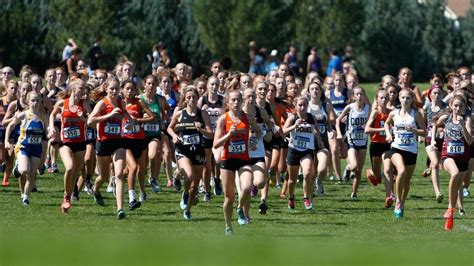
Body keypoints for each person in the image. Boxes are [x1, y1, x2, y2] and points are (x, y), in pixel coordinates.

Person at [87, 76, 135, 219]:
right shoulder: (102, 103)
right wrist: (108, 115)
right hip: (103, 143)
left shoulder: (121, 102)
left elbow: (125, 114)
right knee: (104, 176)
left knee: (119, 174)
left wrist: (130, 122)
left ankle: (120, 209)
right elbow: (90, 121)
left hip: (118, 142)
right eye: (111, 89)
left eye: (116, 88)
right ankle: (96, 190)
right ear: (106, 89)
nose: (114, 91)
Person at [214, 90, 260, 234]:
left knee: (247, 188)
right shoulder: (223, 119)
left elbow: (258, 132)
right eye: (233, 100)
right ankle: (228, 225)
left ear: (242, 101)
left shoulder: (248, 117)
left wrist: (253, 141)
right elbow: (216, 144)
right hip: (227, 160)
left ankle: (240, 208)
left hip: (243, 159)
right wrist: (229, 134)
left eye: (238, 100)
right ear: (227, 102)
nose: (236, 102)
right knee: (229, 197)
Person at [167, 86, 213, 220]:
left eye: (194, 97)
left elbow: (211, 134)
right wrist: (174, 136)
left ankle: (187, 209)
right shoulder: (180, 113)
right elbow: (169, 128)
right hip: (183, 150)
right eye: (189, 98)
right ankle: (185, 193)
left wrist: (202, 130)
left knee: (195, 185)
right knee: (190, 175)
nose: (192, 100)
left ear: (198, 98)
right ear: (185, 100)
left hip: (198, 151)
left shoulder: (203, 114)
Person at [48, 79, 91, 213]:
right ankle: (66, 196)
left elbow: (91, 122)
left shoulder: (85, 104)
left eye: (85, 88)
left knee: (75, 172)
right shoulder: (62, 103)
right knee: (70, 167)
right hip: (65, 142)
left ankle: (68, 199)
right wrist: (51, 127)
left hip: (80, 143)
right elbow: (53, 114)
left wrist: (83, 117)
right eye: (81, 88)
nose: (84, 91)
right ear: (73, 89)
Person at [430, 95, 472, 230]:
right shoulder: (445, 118)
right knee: (454, 174)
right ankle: (449, 208)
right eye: (455, 106)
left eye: (460, 106)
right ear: (451, 106)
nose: (458, 108)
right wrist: (432, 141)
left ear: (464, 108)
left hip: (463, 159)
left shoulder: (466, 120)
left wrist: (462, 126)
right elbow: (434, 125)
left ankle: (451, 215)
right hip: (447, 156)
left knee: (456, 187)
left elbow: (470, 141)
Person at [383, 88, 426, 218]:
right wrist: (388, 134)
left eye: (408, 98)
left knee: (406, 182)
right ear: (399, 99)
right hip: (396, 148)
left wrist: (413, 130)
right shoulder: (394, 113)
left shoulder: (416, 114)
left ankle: (401, 203)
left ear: (412, 99)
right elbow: (386, 123)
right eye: (403, 97)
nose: (405, 100)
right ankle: (397, 201)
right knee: (401, 171)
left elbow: (424, 132)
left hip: (411, 151)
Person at [4, 91, 46, 205]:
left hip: (36, 149)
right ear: (28, 101)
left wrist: (50, 133)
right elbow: (10, 125)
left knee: (32, 176)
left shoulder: (42, 116)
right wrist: (6, 140)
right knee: (24, 170)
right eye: (33, 100)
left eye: (38, 100)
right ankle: (17, 168)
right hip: (23, 147)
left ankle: (26, 197)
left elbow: (44, 134)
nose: (35, 103)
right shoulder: (24, 115)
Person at [283, 96, 322, 210]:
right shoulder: (292, 118)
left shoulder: (311, 117)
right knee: (292, 180)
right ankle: (291, 198)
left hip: (307, 150)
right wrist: (295, 126)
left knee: (308, 172)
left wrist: (319, 141)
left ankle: (306, 199)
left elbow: (316, 131)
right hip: (294, 150)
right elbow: (283, 131)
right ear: (296, 106)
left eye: (305, 105)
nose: (302, 107)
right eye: (300, 105)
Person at [122, 80, 155, 210]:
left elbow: (152, 117)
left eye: (132, 89)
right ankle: (131, 199)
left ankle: (142, 192)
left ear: (136, 91)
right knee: (133, 167)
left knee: (141, 170)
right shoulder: (120, 103)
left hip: (140, 140)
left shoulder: (139, 103)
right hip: (126, 140)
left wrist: (138, 120)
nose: (130, 91)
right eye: (127, 89)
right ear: (122, 90)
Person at [336, 87, 370, 199]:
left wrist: (368, 126)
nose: (359, 96)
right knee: (354, 165)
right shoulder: (350, 108)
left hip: (363, 141)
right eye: (357, 94)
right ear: (353, 96)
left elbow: (372, 121)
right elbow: (338, 120)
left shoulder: (368, 109)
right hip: (352, 141)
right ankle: (347, 168)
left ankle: (354, 193)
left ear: (364, 96)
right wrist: (339, 133)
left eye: (361, 94)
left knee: (358, 171)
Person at [365, 89, 392, 207]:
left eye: (386, 97)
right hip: (376, 144)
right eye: (381, 98)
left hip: (387, 144)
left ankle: (389, 196)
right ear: (377, 99)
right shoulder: (375, 113)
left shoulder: (391, 113)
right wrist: (383, 129)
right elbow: (367, 129)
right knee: (377, 174)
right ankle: (370, 172)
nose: (384, 100)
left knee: (387, 169)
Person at [197, 76, 223, 201]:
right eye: (212, 84)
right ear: (207, 85)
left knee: (218, 160)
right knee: (207, 165)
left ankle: (217, 178)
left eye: (216, 85)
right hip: (206, 135)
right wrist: (201, 111)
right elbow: (195, 116)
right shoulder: (202, 100)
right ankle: (207, 191)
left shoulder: (223, 100)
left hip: (219, 135)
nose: (214, 87)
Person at [307, 81, 334, 196]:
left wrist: (331, 130)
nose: (315, 91)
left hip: (322, 143)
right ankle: (311, 188)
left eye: (317, 89)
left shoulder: (326, 106)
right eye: (312, 89)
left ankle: (319, 181)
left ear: (321, 91)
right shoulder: (305, 107)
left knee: (322, 168)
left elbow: (327, 123)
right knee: (311, 170)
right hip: (308, 144)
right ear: (308, 92)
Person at [422, 86, 447, 202]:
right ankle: (438, 192)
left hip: (443, 138)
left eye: (439, 93)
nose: (437, 95)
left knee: (438, 164)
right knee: (436, 163)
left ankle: (430, 169)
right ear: (430, 94)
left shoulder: (446, 107)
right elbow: (422, 123)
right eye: (435, 93)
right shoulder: (426, 107)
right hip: (429, 138)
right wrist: (420, 135)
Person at [1, 80, 19, 186]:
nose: (13, 90)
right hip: (1, 130)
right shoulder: (1, 101)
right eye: (11, 88)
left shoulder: (18, 103)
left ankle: (5, 179)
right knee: (1, 157)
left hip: (12, 131)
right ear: (7, 88)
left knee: (11, 154)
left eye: (15, 88)